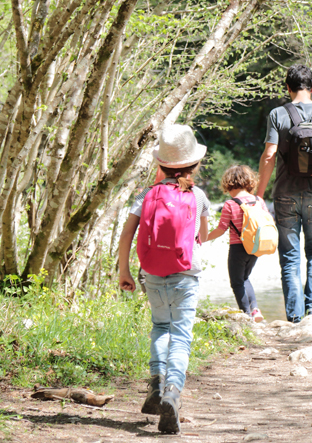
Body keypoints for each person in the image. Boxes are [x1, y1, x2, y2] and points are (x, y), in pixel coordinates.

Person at [118, 124, 210, 435]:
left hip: (153, 273)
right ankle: (172, 392)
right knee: (181, 335)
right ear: (194, 164)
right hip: (186, 274)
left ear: (162, 164)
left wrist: (124, 271)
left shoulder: (147, 194)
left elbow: (126, 235)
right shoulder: (197, 195)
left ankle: (156, 384)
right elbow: (202, 236)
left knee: (160, 327)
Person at [257, 64, 312, 323]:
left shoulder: (277, 114)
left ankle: (295, 318)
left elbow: (269, 155)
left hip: (285, 193)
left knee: (290, 255)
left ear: (287, 87)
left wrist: (259, 194)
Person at [205, 165, 267, 323]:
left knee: (237, 282)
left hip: (238, 248)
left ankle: (246, 316)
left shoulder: (230, 204)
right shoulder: (259, 201)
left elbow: (221, 229)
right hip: (256, 247)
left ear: (228, 183)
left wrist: (203, 238)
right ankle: (255, 309)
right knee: (245, 277)